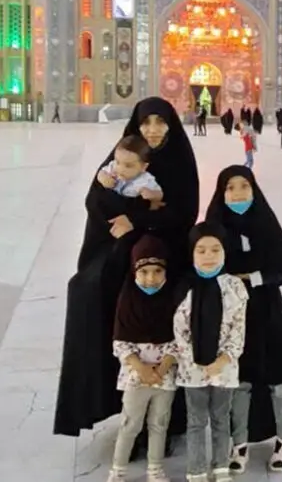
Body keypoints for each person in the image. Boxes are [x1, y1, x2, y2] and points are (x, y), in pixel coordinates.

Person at [55, 97, 200, 452]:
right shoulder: (124, 154)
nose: (153, 129)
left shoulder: (180, 160)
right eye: (146, 122)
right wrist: (131, 214)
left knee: (162, 320)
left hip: (165, 255)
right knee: (89, 293)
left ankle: (166, 421)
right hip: (120, 253)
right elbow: (95, 200)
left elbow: (183, 212)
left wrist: (135, 218)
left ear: (171, 125)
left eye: (160, 122)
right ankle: (119, 407)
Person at [205, 166, 282, 475]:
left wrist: (253, 277)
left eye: (244, 186)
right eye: (230, 188)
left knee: (279, 379)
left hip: (268, 311)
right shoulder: (215, 227)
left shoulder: (265, 222)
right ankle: (240, 442)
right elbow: (201, 265)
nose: (237, 194)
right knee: (240, 381)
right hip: (233, 314)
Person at [173, 222, 250, 482]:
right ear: (192, 253)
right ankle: (195, 470)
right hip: (192, 369)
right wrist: (197, 361)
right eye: (202, 250)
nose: (209, 256)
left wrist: (223, 359)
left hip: (225, 368)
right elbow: (180, 331)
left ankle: (220, 467)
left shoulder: (235, 287)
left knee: (220, 418)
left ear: (225, 251)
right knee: (196, 421)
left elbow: (238, 329)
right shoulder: (184, 287)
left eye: (215, 250)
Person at [106, 236, 178, 482]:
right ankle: (118, 471)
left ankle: (155, 469)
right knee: (130, 424)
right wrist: (142, 369)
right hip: (136, 377)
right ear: (134, 271)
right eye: (144, 271)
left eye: (157, 271)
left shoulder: (173, 300)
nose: (151, 278)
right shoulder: (127, 302)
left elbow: (181, 338)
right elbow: (120, 343)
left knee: (159, 424)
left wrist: (163, 367)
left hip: (164, 378)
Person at [97, 135, 164, 202]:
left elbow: (160, 194)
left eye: (128, 166)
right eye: (118, 162)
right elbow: (101, 172)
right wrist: (103, 178)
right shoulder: (112, 167)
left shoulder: (145, 180)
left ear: (143, 167)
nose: (121, 169)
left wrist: (152, 194)